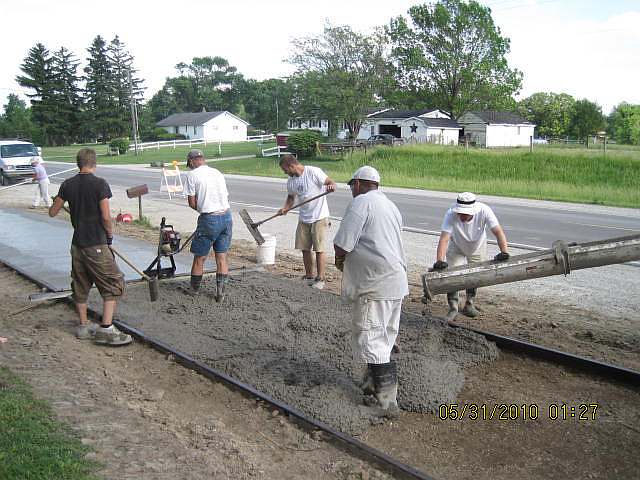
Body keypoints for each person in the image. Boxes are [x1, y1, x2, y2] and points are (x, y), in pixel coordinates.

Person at [334, 166, 408, 413]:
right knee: (384, 337)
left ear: (357, 184)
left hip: (375, 284)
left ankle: (386, 402)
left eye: (351, 186)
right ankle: (372, 385)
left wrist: (340, 261)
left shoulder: (361, 202)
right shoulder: (390, 205)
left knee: (371, 337)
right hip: (395, 281)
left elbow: (343, 242)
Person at [49, 148, 132, 346]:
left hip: (77, 244)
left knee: (80, 282)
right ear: (94, 163)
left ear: (78, 163)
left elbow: (53, 212)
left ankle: (84, 326)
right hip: (96, 243)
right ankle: (106, 329)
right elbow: (105, 216)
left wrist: (59, 202)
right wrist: (109, 235)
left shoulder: (67, 185)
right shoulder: (100, 184)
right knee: (113, 282)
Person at [432, 192, 510, 322]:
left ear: (473, 211)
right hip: (456, 245)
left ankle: (469, 303)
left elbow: (498, 232)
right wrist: (439, 261)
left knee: (475, 275)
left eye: (465, 213)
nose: (462, 215)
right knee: (452, 275)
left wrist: (504, 252)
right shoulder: (451, 214)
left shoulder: (484, 211)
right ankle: (453, 308)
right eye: (460, 213)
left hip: (477, 246)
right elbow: (444, 239)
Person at [278, 154, 336, 290]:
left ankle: (320, 278)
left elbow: (330, 182)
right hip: (304, 217)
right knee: (305, 249)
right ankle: (309, 276)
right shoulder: (291, 181)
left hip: (319, 216)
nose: (285, 172)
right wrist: (285, 208)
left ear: (291, 165)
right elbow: (291, 198)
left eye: (285, 169)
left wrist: (331, 186)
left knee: (319, 249)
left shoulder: (313, 172)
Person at [185, 149, 232, 301]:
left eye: (189, 164)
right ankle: (220, 294)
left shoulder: (192, 175)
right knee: (221, 257)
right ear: (202, 159)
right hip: (226, 217)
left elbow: (192, 203)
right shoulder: (217, 172)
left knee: (200, 258)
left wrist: (203, 209)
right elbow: (224, 196)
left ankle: (194, 290)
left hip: (209, 219)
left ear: (191, 162)